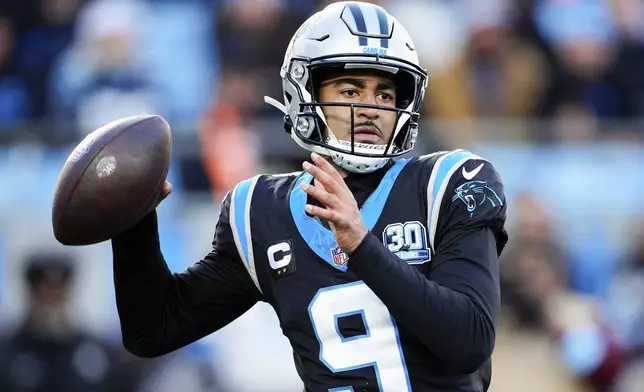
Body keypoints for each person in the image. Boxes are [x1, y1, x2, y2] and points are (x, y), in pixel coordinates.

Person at [110, 2, 508, 391]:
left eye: (385, 94)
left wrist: (361, 246)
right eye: (351, 90)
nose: (371, 108)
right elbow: (152, 331)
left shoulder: (450, 183)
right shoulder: (261, 211)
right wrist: (134, 222)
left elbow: (469, 341)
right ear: (303, 93)